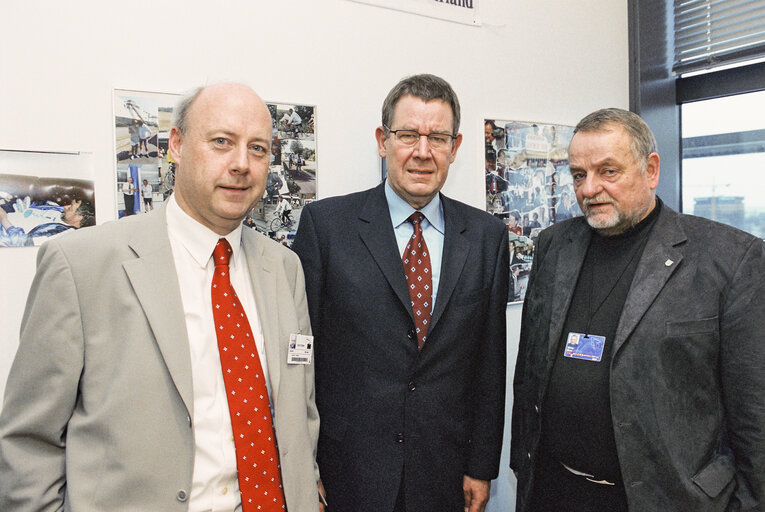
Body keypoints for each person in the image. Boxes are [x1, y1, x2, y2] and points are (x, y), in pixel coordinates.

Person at [0, 82, 325, 512]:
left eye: (259, 149)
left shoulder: (285, 268)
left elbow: (299, 408)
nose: (241, 164)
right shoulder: (81, 265)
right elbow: (28, 443)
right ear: (176, 144)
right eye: (222, 142)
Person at [510, 107, 765, 512]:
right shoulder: (555, 245)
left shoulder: (729, 260)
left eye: (607, 171)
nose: (589, 188)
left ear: (650, 170)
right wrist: (521, 462)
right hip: (555, 490)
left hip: (662, 499)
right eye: (579, 174)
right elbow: (530, 372)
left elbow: (755, 415)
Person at [292, 74, 509, 512]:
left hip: (445, 474)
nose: (422, 152)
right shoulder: (326, 227)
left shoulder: (487, 236)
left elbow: (490, 362)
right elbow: (298, 361)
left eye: (438, 138)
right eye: (408, 135)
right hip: (347, 471)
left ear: (456, 146)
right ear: (382, 140)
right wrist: (304, 468)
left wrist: (482, 465)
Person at [0, 197, 95, 247]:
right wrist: (8, 204)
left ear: (78, 218)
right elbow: (32, 204)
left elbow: (23, 244)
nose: (65, 207)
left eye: (70, 208)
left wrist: (4, 219)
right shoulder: (56, 208)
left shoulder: (61, 234)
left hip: (4, 231)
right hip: (5, 212)